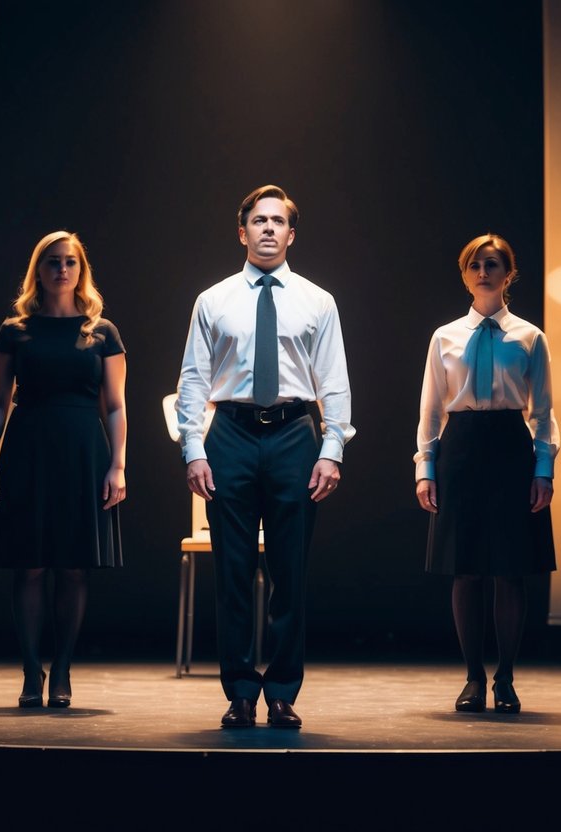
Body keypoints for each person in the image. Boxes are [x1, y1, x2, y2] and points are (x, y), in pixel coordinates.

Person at [176, 185, 353, 729]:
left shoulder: (318, 300)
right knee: (231, 571)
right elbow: (192, 380)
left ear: (292, 234)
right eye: (259, 220)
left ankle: (280, 690)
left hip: (295, 436)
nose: (269, 229)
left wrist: (331, 450)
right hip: (229, 433)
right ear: (242, 231)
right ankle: (238, 692)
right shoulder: (213, 300)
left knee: (289, 573)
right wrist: (193, 449)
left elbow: (335, 384)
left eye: (278, 221)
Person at [0, 231, 126, 709]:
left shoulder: (101, 331)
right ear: (38, 271)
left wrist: (118, 465)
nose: (62, 269)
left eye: (70, 262)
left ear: (80, 270)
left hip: (84, 452)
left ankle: (61, 669)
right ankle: (30, 671)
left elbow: (115, 407)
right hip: (27, 450)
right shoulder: (15, 330)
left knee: (74, 566)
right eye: (52, 262)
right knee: (30, 565)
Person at [415, 234, 558, 715]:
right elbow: (431, 411)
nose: (483, 271)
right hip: (461, 448)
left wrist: (544, 469)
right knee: (466, 566)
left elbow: (543, 412)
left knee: (510, 568)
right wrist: (425, 468)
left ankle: (507, 678)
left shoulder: (529, 336)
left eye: (492, 263)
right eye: (474, 264)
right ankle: (473, 677)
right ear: (464, 273)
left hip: (510, 448)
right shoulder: (445, 336)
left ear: (508, 273)